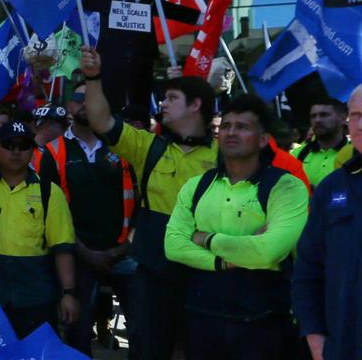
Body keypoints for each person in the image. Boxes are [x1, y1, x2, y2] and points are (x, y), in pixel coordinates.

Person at [82, 47, 217, 360]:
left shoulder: (225, 156)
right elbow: (101, 121)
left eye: (171, 98)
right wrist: (93, 78)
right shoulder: (148, 147)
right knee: (148, 348)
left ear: (196, 105)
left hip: (206, 273)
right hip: (153, 273)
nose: (163, 104)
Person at [163, 94, 308, 360]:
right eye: (226, 126)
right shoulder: (197, 186)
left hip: (263, 323)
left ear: (263, 140)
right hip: (202, 319)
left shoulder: (286, 187)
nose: (231, 132)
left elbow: (269, 252)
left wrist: (205, 239)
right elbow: (173, 246)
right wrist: (227, 261)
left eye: (242, 127)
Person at [0, 118, 79, 338]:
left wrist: (68, 293)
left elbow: (63, 247)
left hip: (35, 295)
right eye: (9, 145)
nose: (16, 151)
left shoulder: (50, 193)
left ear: (32, 150)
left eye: (23, 146)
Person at [35, 82, 134, 355]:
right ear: (69, 105)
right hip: (77, 256)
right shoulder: (53, 153)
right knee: (77, 333)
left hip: (124, 252)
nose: (86, 104)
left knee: (144, 329)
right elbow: (50, 213)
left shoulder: (124, 146)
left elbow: (140, 203)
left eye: (94, 98)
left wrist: (123, 248)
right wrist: (83, 251)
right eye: (80, 98)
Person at [293, 83, 362, 360]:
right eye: (355, 115)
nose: (360, 124)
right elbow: (308, 270)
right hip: (344, 347)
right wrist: (316, 341)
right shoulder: (333, 188)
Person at [295, 99, 350, 188]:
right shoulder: (297, 154)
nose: (317, 120)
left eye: (324, 115)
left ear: (343, 118)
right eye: (313, 116)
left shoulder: (355, 153)